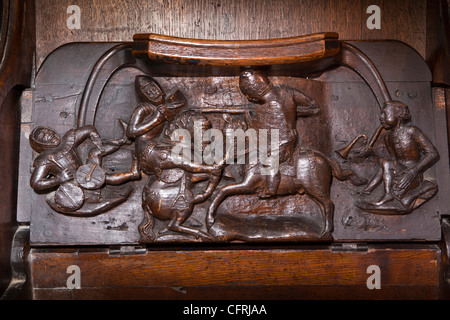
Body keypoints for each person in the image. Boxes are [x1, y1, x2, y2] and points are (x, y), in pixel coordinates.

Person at [238, 69, 318, 198]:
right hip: (283, 137)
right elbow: (313, 108)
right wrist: (289, 113)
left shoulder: (267, 106)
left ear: (252, 93)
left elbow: (314, 109)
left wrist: (287, 113)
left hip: (285, 141)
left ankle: (271, 188)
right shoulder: (287, 91)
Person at [363, 100, 439, 209]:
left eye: (385, 113)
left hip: (414, 175)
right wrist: (372, 154)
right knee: (386, 164)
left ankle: (392, 194)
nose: (381, 117)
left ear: (398, 113)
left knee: (387, 165)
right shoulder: (387, 137)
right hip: (400, 172)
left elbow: (433, 153)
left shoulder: (412, 131)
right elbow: (393, 161)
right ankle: (374, 191)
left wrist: (413, 171)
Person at [29, 124, 140, 193]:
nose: (48, 134)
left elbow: (87, 129)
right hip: (79, 182)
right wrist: (58, 179)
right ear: (40, 144)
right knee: (103, 178)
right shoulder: (45, 159)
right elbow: (36, 183)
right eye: (43, 136)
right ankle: (133, 174)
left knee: (95, 152)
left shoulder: (66, 141)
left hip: (84, 169)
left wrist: (94, 136)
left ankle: (124, 140)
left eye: (47, 131)